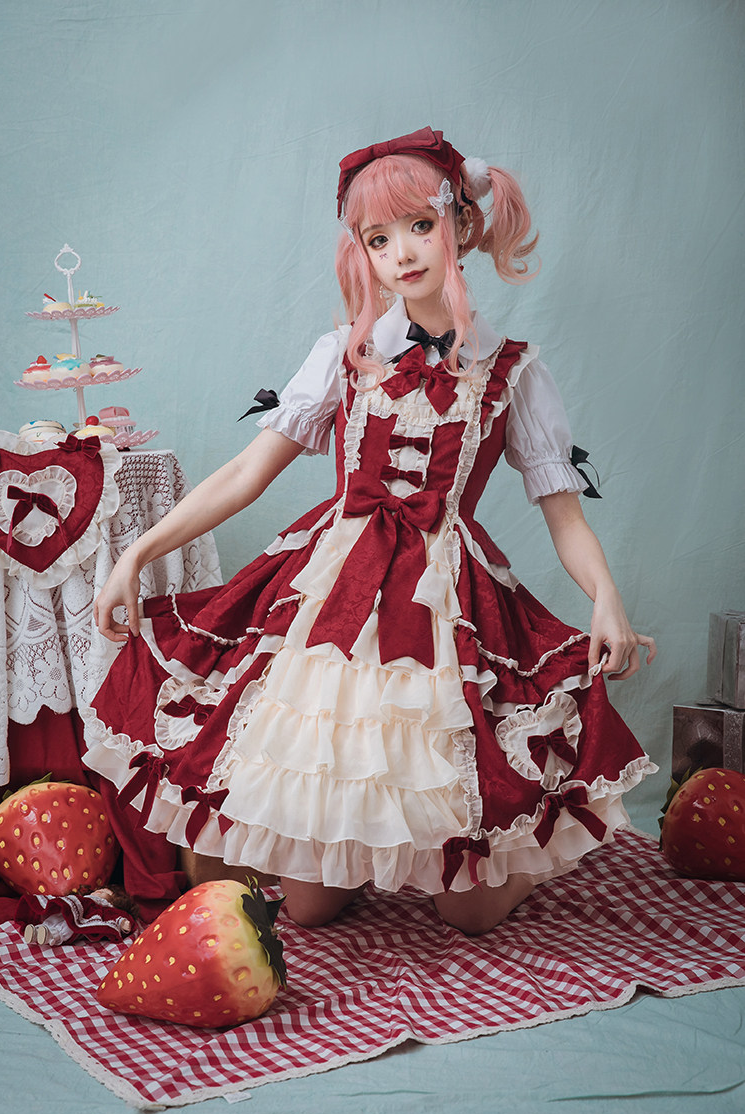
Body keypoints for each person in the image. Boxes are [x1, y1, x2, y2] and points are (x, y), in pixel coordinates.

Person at [88, 126, 656, 936]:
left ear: (461, 223)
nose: (402, 253)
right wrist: (139, 553)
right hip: (334, 593)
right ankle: (367, 852)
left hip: (445, 601)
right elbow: (246, 473)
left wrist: (606, 598)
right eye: (378, 238)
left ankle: (502, 863)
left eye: (420, 226)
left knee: (470, 910)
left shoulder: (513, 370)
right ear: (361, 251)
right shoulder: (343, 354)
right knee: (310, 907)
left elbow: (564, 513)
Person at [17, 885, 138, 946]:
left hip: (82, 917)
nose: (100, 891)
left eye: (106, 893)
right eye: (100, 889)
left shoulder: (103, 906)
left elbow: (113, 917)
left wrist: (122, 923)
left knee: (69, 926)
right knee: (55, 917)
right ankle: (37, 931)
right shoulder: (81, 898)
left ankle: (52, 935)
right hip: (67, 908)